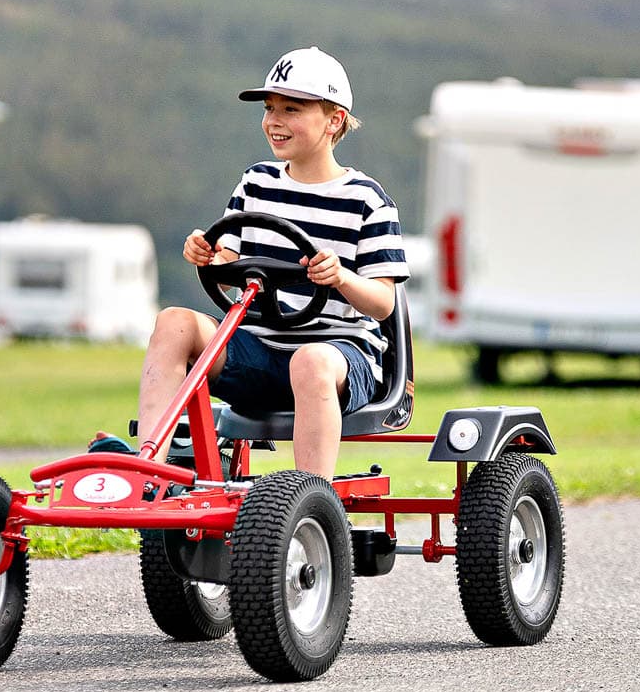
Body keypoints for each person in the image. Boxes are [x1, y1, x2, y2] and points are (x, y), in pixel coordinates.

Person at [98, 46, 409, 479]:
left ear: (334, 119)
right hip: (258, 350)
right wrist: (208, 257)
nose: (273, 121)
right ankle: (151, 468)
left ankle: (309, 495)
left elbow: (384, 303)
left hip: (339, 357)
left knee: (310, 362)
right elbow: (233, 264)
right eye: (269, 108)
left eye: (291, 109)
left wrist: (340, 277)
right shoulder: (256, 182)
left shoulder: (367, 200)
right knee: (174, 321)